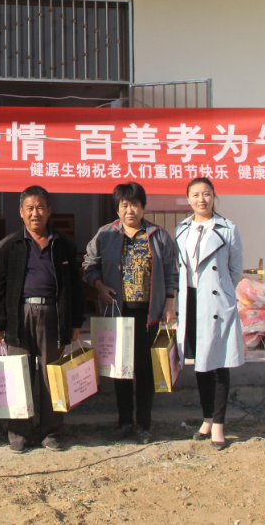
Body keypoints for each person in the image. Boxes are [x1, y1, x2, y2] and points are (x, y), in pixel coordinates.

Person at [0, 185, 85, 453]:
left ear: (49, 211)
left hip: (53, 315)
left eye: (40, 207)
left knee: (51, 375)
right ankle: (20, 433)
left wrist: (75, 322)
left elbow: (75, 287)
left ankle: (51, 432)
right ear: (21, 212)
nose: (35, 213)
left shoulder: (64, 244)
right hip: (19, 315)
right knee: (20, 374)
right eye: (30, 208)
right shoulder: (8, 245)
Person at [83, 182, 179, 445]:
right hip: (118, 314)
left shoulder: (158, 235)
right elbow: (89, 265)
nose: (129, 210)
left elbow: (171, 272)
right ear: (117, 208)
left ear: (143, 207)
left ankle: (144, 424)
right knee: (121, 369)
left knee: (146, 369)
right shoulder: (105, 234)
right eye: (124, 205)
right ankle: (124, 422)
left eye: (135, 204)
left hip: (149, 314)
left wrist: (169, 304)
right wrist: (99, 286)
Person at [174, 177, 244, 450]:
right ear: (188, 199)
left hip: (216, 303)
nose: (201, 199)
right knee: (200, 364)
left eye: (206, 194)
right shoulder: (181, 229)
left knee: (219, 364)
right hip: (191, 301)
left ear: (214, 197)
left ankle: (219, 426)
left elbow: (235, 270)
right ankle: (206, 418)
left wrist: (222, 294)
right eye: (195, 195)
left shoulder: (228, 228)